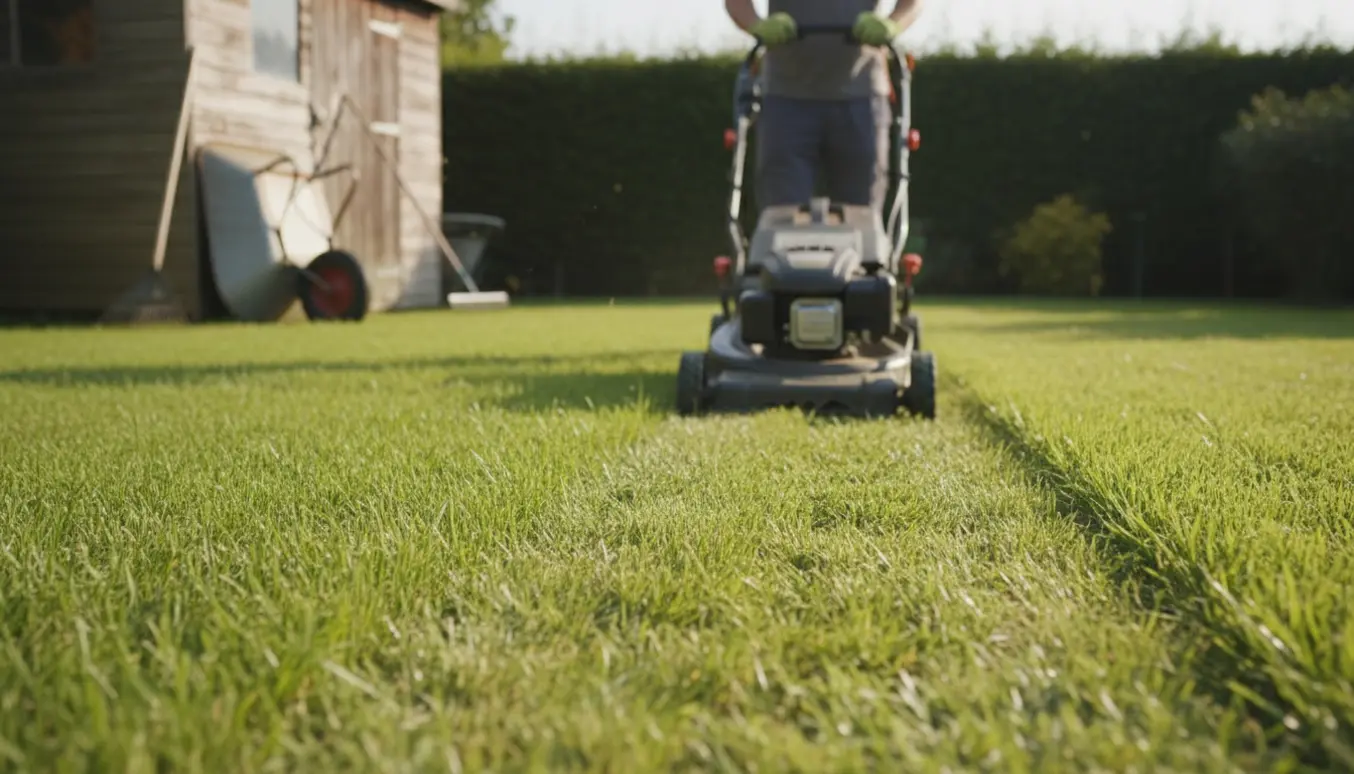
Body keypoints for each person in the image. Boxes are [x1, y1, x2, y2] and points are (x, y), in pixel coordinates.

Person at [724, 0, 923, 216]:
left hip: (863, 96)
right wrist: (757, 25)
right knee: (781, 213)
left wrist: (892, 24)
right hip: (785, 99)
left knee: (861, 214)